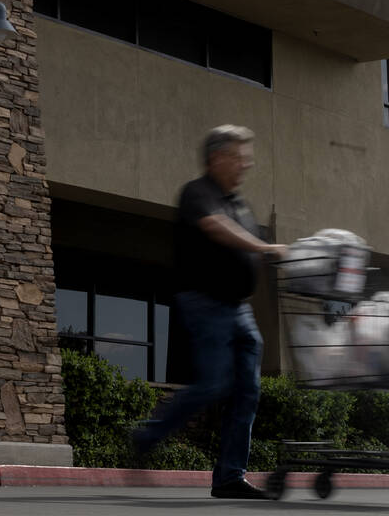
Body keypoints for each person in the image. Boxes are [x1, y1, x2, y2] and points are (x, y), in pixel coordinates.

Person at [133, 124, 286, 499]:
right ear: (217, 157)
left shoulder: (240, 204)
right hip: (204, 301)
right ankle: (148, 434)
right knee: (214, 383)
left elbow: (249, 245)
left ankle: (230, 477)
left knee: (248, 389)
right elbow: (214, 227)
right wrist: (263, 249)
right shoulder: (197, 193)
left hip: (239, 308)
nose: (246, 164)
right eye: (239, 156)